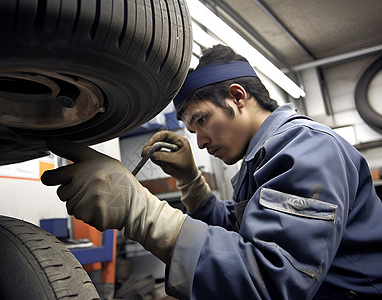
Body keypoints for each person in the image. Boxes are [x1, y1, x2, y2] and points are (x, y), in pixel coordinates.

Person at [41, 44, 382, 300]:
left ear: (237, 97)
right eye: (192, 129)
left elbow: (273, 279)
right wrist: (191, 182)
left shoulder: (304, 148)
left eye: (201, 120)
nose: (201, 142)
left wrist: (142, 214)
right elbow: (237, 236)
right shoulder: (260, 160)